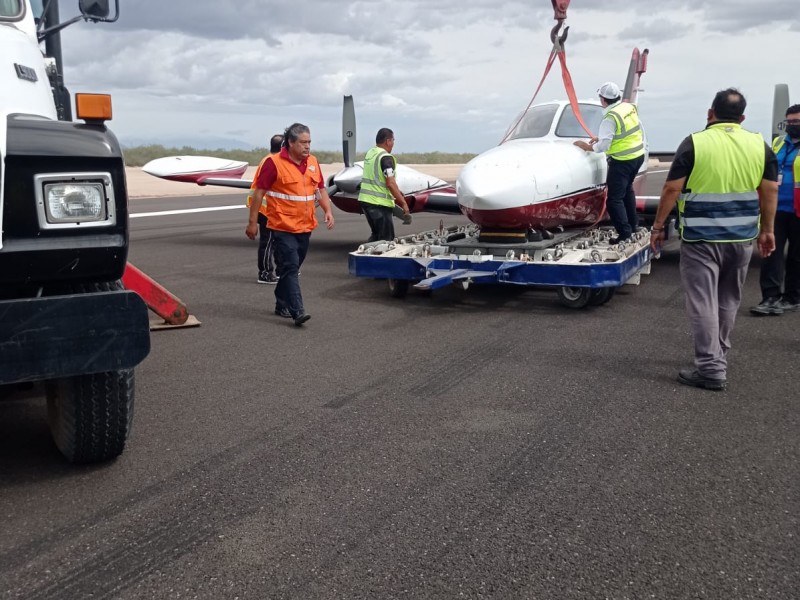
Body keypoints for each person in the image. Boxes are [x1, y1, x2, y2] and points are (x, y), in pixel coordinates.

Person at [649, 88, 778, 391]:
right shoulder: (760, 145)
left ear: (710, 113)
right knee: (729, 299)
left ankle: (710, 368)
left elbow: (671, 190)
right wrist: (768, 230)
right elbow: (770, 190)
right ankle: (717, 354)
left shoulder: (695, 143)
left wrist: (657, 227)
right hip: (742, 237)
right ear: (742, 117)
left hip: (701, 239)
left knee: (703, 302)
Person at [245, 123, 335, 327]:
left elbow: (320, 189)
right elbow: (258, 193)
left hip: (305, 226)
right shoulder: (273, 163)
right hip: (282, 225)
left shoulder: (313, 162)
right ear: (291, 143)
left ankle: (281, 301)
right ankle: (298, 311)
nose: (307, 147)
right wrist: (252, 223)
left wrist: (328, 211)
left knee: (289, 269)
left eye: (309, 142)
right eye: (303, 142)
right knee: (291, 267)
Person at [574, 81, 646, 243]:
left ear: (603, 100)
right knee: (627, 190)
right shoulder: (628, 108)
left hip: (622, 161)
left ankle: (624, 234)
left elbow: (604, 146)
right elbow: (625, 132)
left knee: (613, 200)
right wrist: (602, 138)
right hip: (637, 156)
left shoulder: (610, 118)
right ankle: (633, 225)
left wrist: (587, 147)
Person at [750, 104, 800, 316]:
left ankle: (792, 298)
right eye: (789, 122)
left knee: (797, 257)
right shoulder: (779, 142)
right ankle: (770, 297)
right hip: (776, 207)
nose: (791, 126)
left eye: (796, 122)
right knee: (770, 253)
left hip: (798, 211)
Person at [357, 128, 411, 242]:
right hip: (379, 204)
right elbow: (390, 183)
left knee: (376, 236)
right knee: (386, 240)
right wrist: (404, 203)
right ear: (388, 141)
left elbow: (379, 179)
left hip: (366, 202)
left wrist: (397, 191)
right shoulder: (385, 158)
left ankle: (368, 258)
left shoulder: (371, 153)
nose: (393, 144)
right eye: (393, 140)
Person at [247, 134, 283, 284]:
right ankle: (265, 273)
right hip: (265, 208)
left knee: (274, 241)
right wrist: (252, 222)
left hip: (269, 208)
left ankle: (279, 270)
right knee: (267, 242)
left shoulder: (270, 160)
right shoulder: (271, 162)